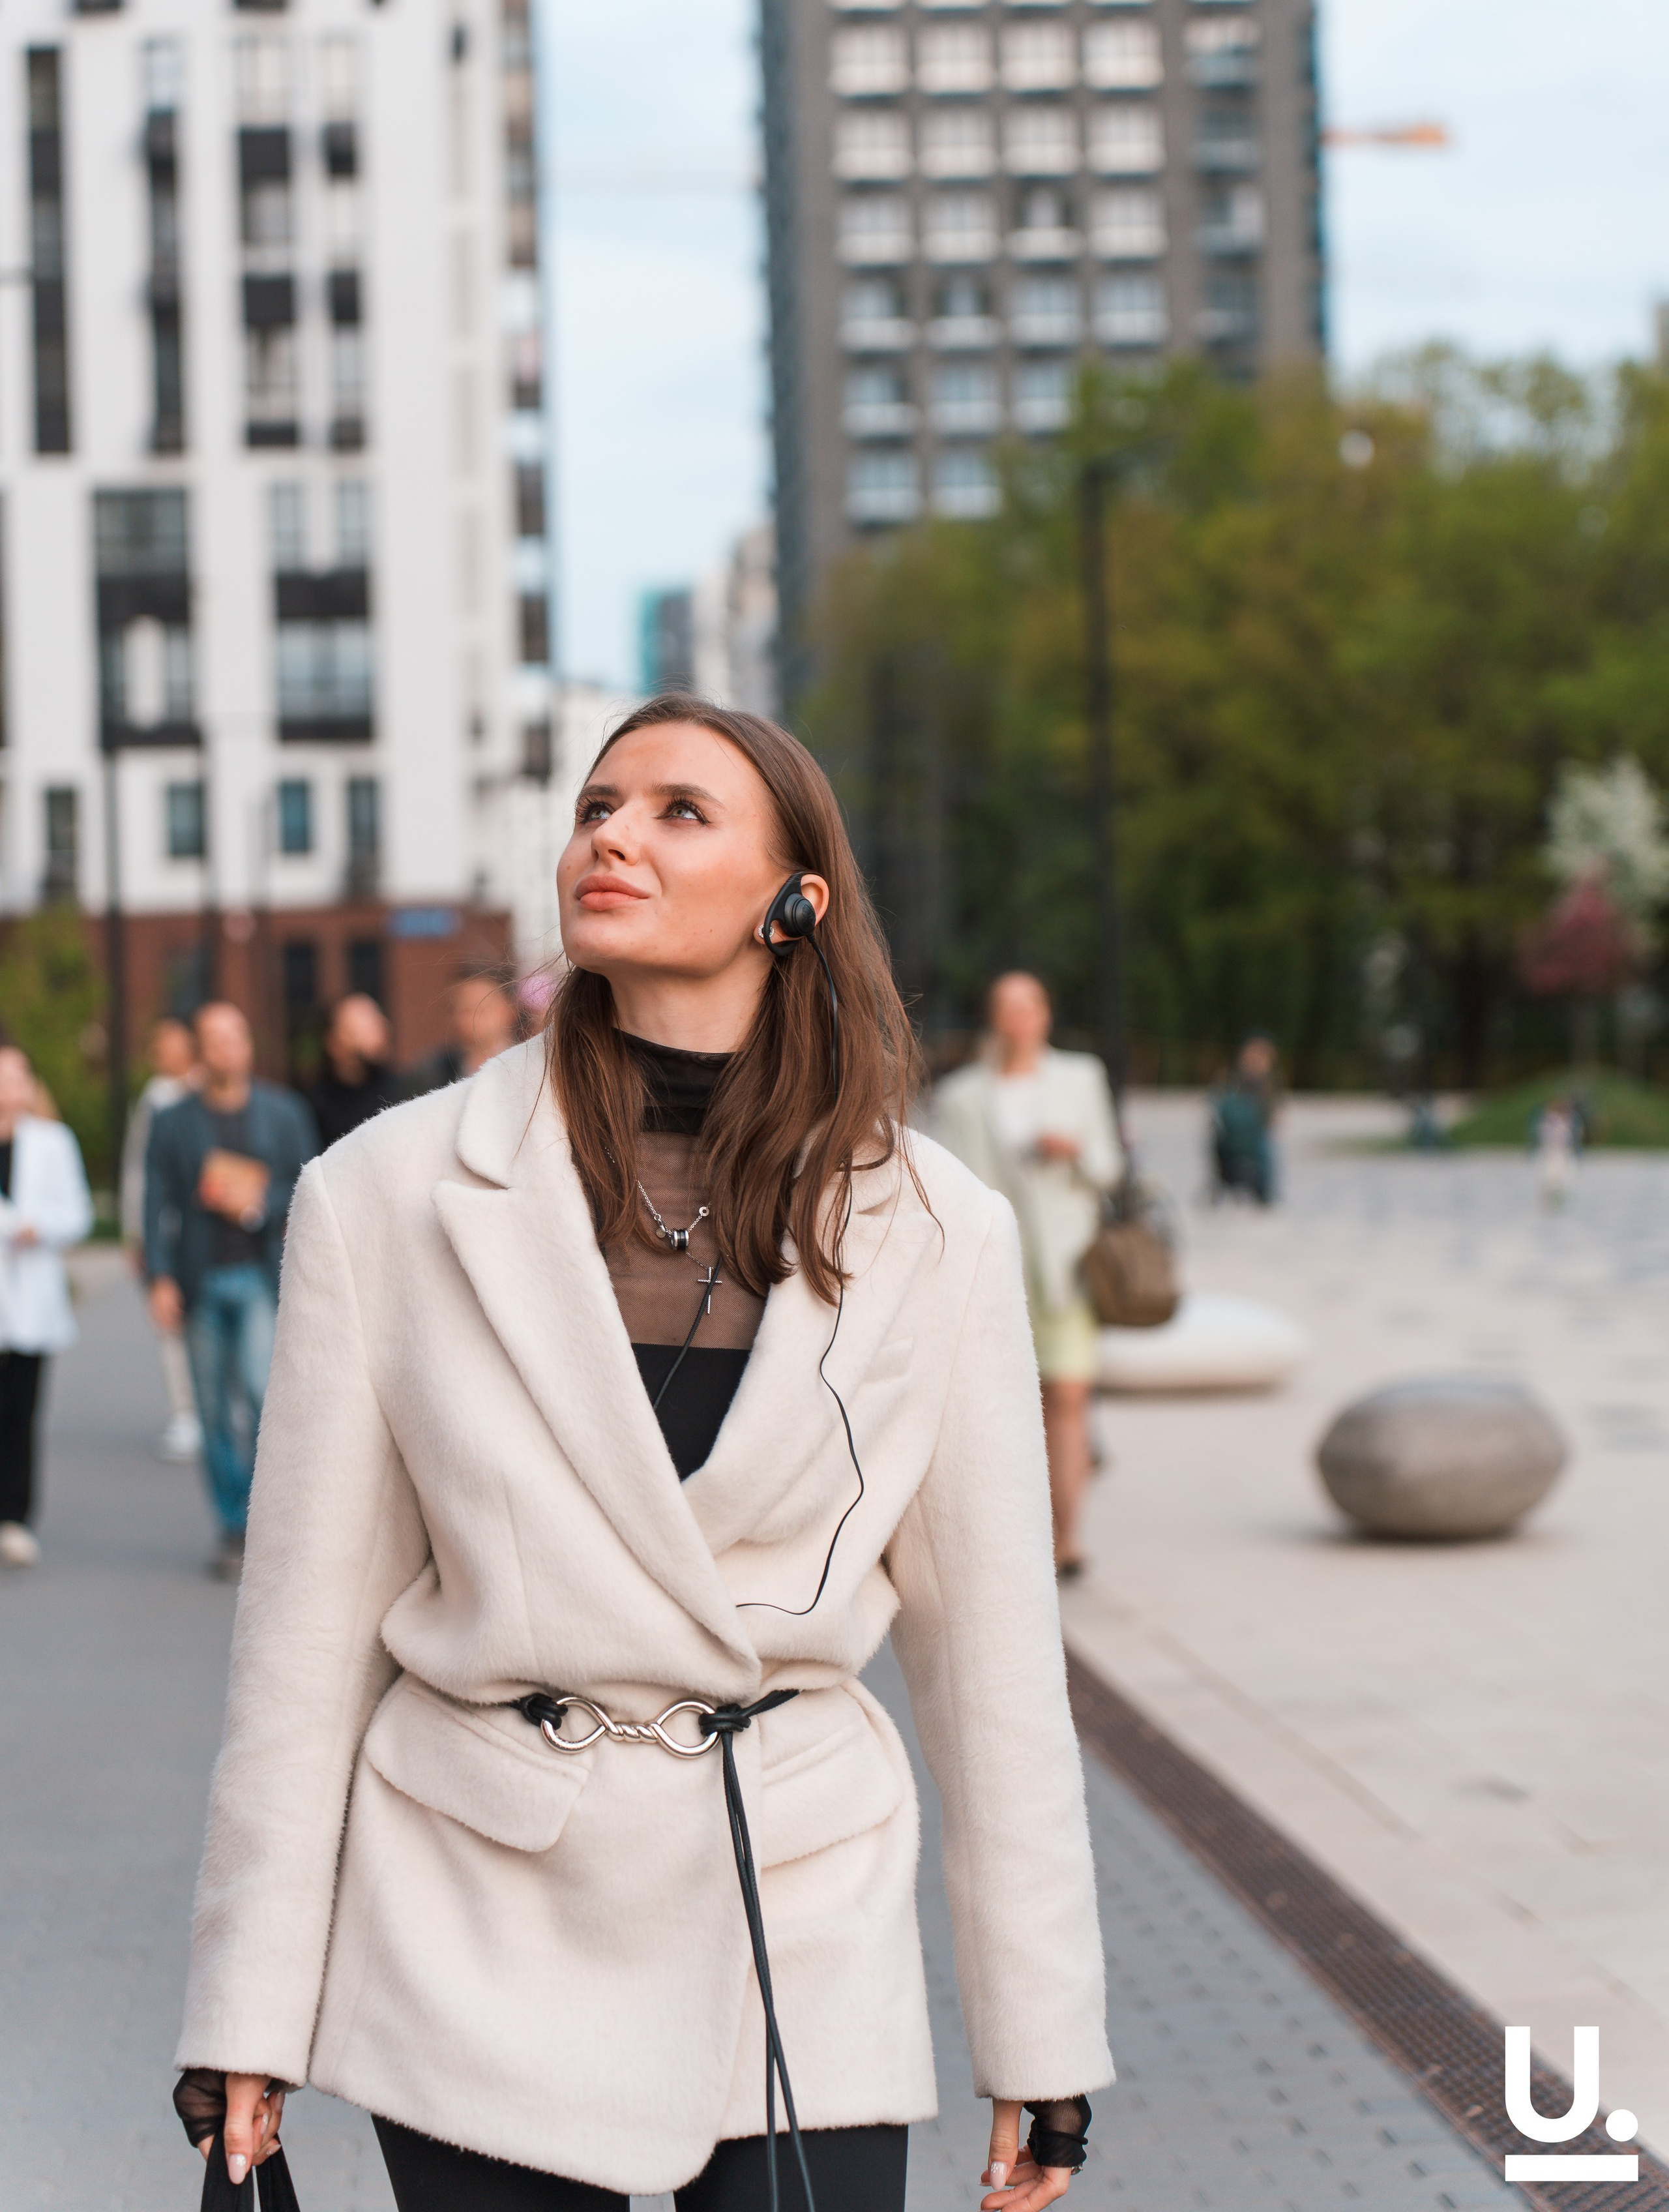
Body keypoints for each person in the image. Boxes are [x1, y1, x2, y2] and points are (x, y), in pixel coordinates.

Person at [172, 695, 1111, 2212]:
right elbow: (301, 1642)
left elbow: (994, 1666)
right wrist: (245, 2006)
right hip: (483, 1898)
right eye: (597, 803)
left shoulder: (938, 1227)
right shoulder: (387, 1196)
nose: (611, 831)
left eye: (680, 810)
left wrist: (1039, 2025)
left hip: (796, 1895)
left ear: (793, 900)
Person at [930, 975, 1121, 1580]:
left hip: (1066, 1267)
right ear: (994, 1017)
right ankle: (1025, 1529)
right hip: (996, 1268)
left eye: (1030, 1005)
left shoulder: (1080, 1077)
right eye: (1007, 1007)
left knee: (1066, 1395)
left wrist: (1075, 1151)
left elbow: (1110, 1167)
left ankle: (1068, 1540)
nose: (1019, 1017)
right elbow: (949, 1181)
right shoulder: (964, 1095)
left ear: (1045, 1013)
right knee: (1012, 1405)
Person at [144, 1002, 317, 1580]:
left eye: (234, 1036)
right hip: (199, 1279)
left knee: (264, 1398)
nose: (225, 1048)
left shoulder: (283, 1112)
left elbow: (310, 1181)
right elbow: (154, 1201)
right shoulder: (172, 1122)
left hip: (259, 1276)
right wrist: (159, 1278)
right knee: (214, 1410)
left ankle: (272, 1523)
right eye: (212, 1039)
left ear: (248, 1044)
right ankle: (233, 1525)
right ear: (199, 1050)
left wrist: (257, 1207)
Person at [0, 1045, 94, 1569]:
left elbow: (77, 1212)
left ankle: (14, 1517)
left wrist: (43, 1227)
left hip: (32, 1295)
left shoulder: (52, 1142)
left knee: (21, 1409)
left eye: (17, 1075)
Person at [121, 1016, 203, 1462]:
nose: (163, 1051)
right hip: (165, 1226)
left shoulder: (209, 1090)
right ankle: (187, 1412)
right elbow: (138, 1170)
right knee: (171, 1322)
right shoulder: (155, 1097)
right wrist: (135, 1233)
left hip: (206, 1226)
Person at [405, 964, 522, 1093]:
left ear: (509, 1010)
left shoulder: (529, 1066)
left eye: (481, 1009)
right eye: (461, 1010)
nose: (471, 1019)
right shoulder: (432, 1074)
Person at [307, 992, 400, 1149]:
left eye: (378, 1019)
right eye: (365, 1024)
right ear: (334, 1043)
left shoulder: (403, 1092)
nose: (382, 1028)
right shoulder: (312, 1106)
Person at [1208, 1035, 1279, 1206]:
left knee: (1266, 1146)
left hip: (1255, 1147)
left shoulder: (1269, 1089)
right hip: (1231, 1145)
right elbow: (1219, 1112)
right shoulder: (1229, 1083)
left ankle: (1264, 1191)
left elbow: (1273, 1120)